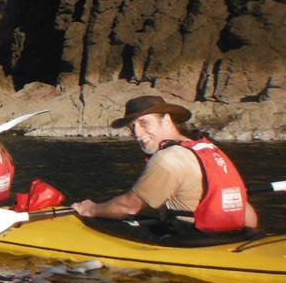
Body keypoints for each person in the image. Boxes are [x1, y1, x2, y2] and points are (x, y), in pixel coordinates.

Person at [72, 95, 259, 232]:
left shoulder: (168, 158)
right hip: (235, 235)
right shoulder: (209, 149)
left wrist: (92, 209)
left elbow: (128, 207)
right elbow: (248, 214)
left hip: (194, 239)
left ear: (167, 120)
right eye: (132, 127)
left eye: (144, 123)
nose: (137, 133)